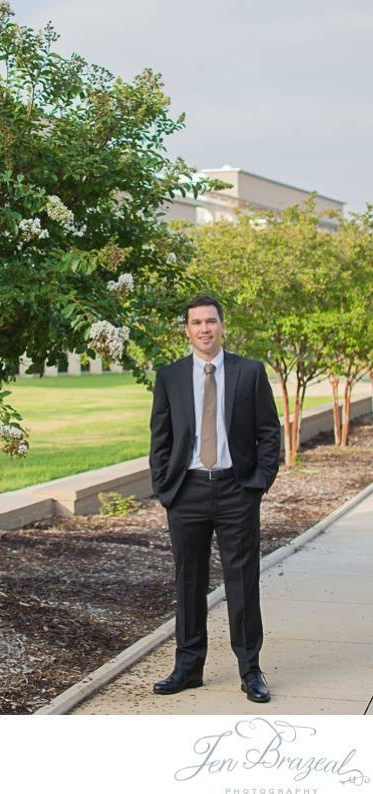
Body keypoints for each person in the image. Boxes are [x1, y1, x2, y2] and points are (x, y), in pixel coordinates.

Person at [148, 295, 281, 703]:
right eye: (196, 323)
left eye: (211, 321)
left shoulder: (250, 372)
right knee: (188, 581)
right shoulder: (169, 376)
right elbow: (161, 438)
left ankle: (250, 670)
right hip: (186, 491)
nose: (204, 329)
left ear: (223, 326)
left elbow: (269, 432)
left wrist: (257, 484)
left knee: (243, 583)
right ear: (186, 330)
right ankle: (188, 668)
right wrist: (165, 488)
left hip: (236, 490)